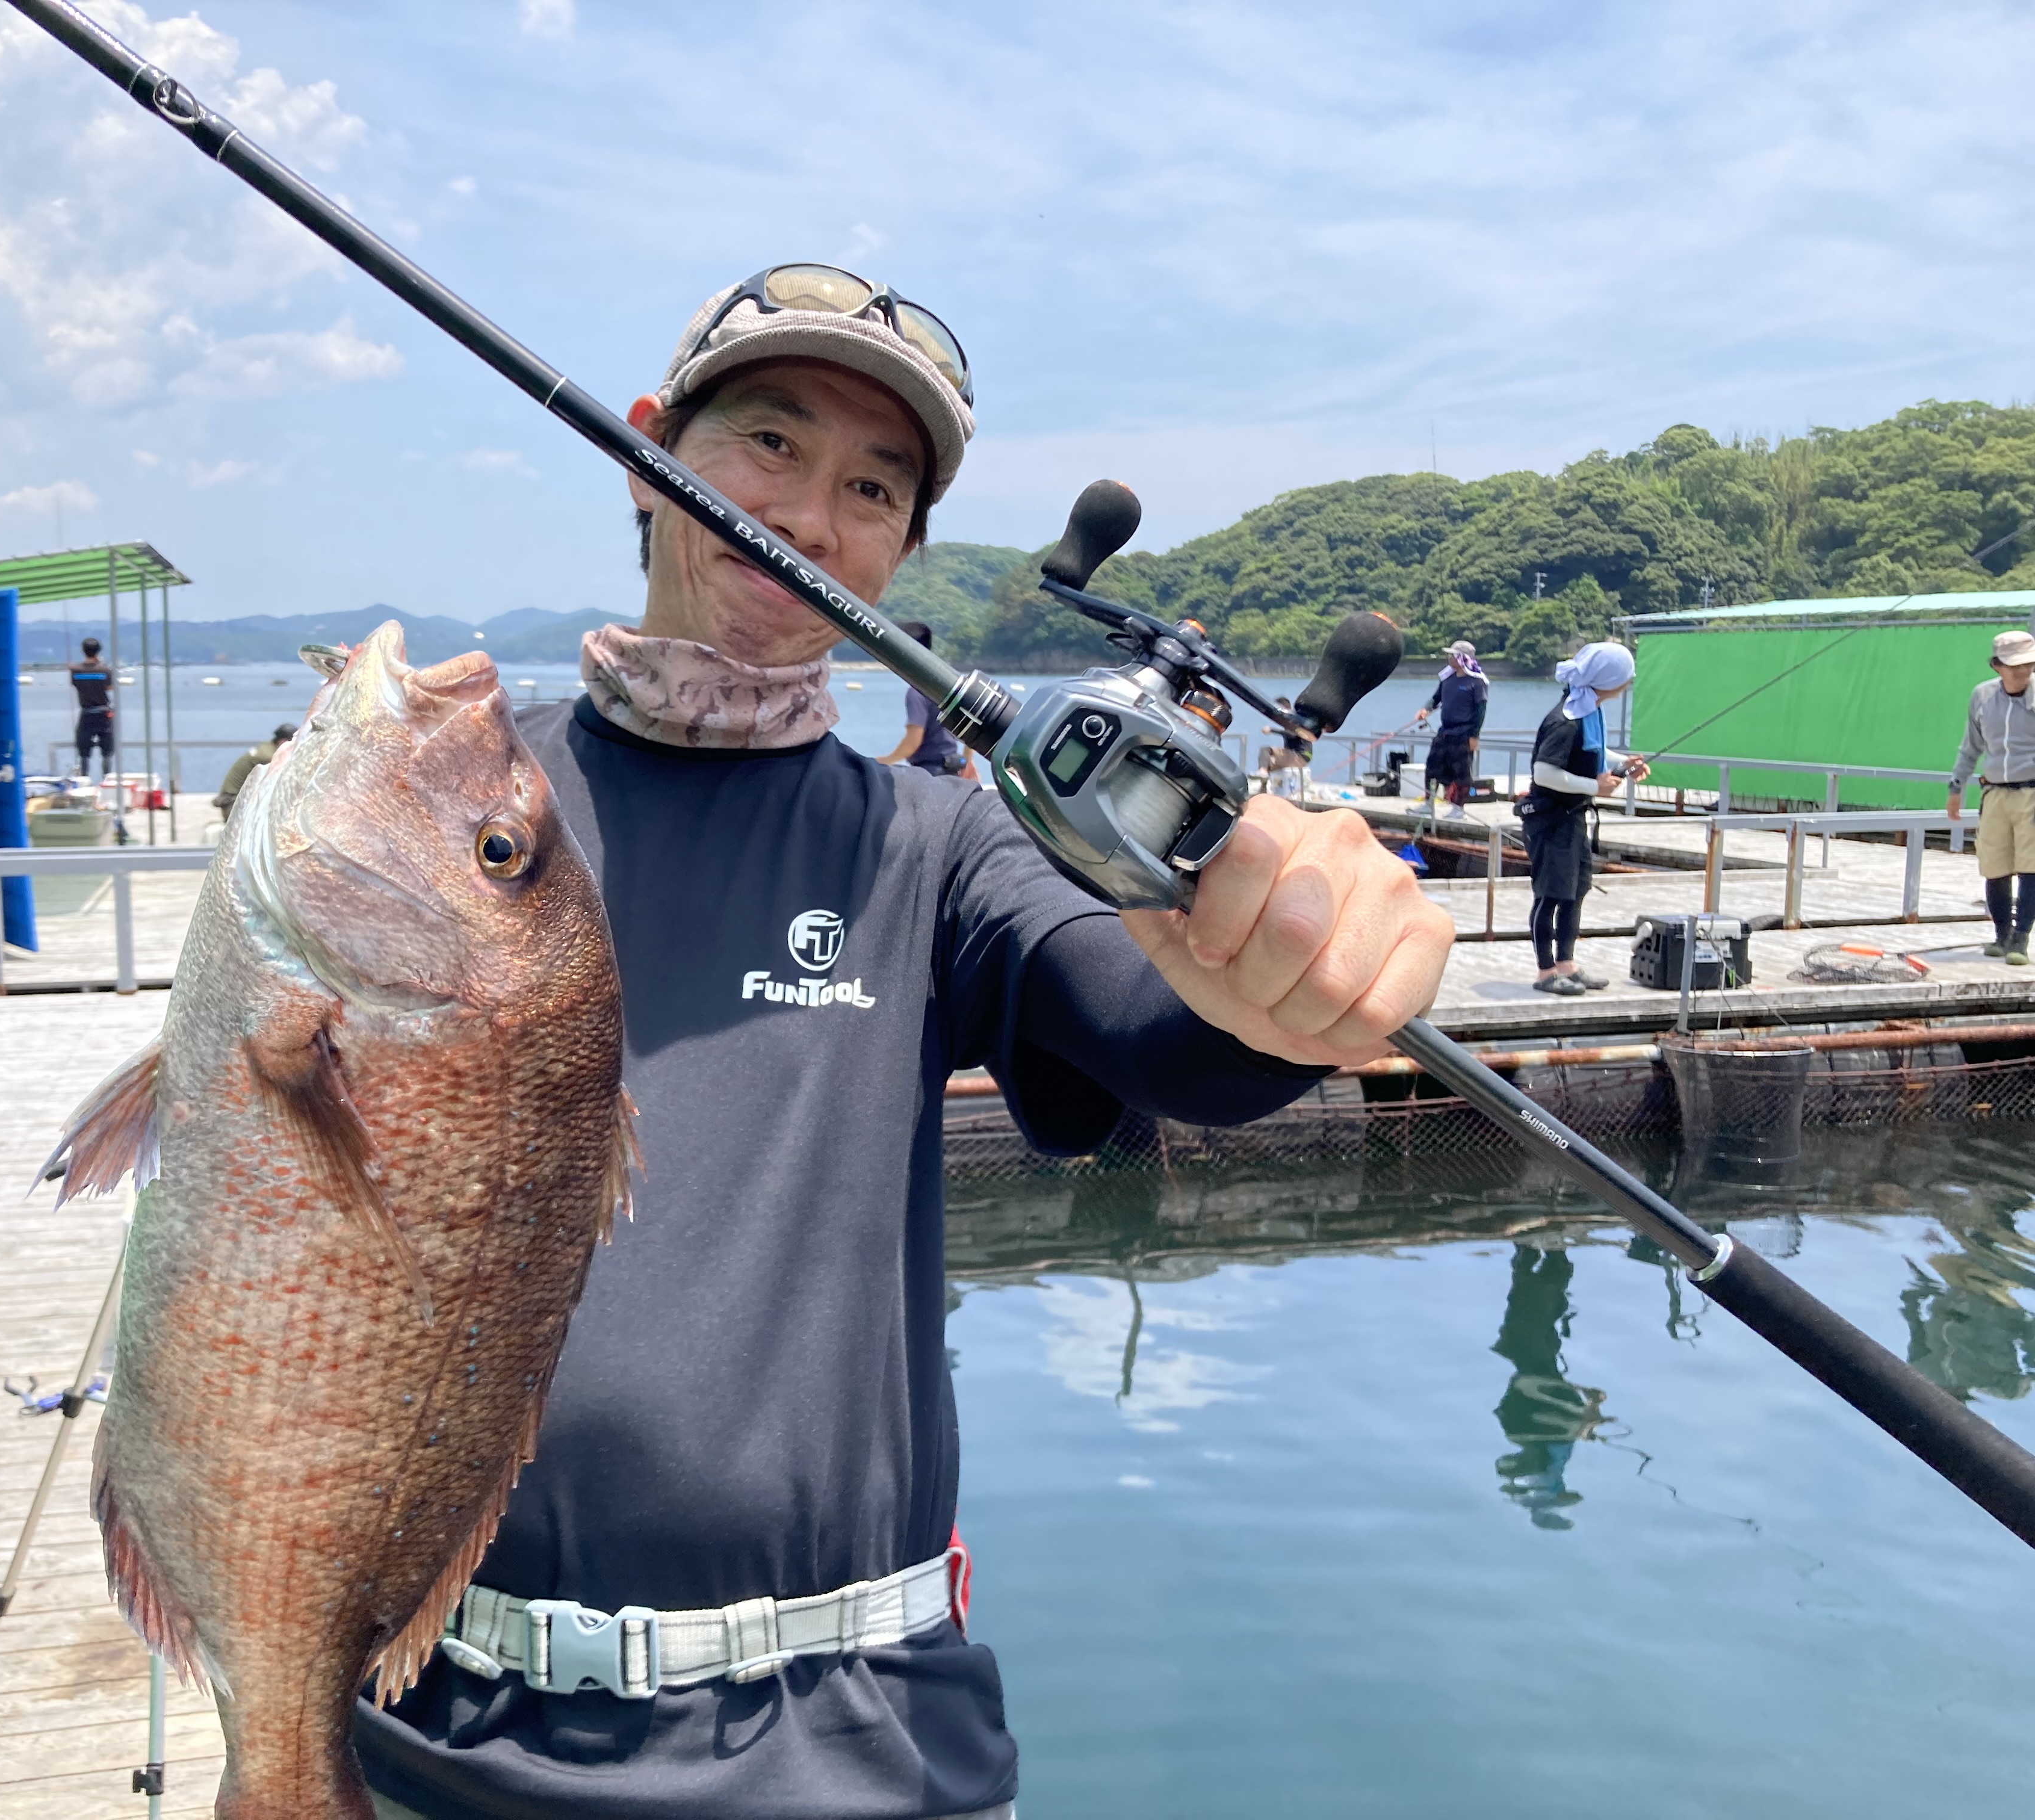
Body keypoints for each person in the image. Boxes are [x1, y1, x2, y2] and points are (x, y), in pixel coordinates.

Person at [352, 264, 1451, 1820]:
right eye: (770, 445)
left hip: (850, 1749)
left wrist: (1286, 977)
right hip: (423, 1730)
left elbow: (1164, 1038)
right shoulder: (451, 802)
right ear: (645, 450)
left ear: (904, 551)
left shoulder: (936, 849)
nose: (810, 516)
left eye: (873, 486)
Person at [1516, 641, 1647, 997]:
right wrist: (1595, 785)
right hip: (1550, 820)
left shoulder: (1589, 710)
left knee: (1576, 893)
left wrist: (1623, 765)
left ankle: (1567, 964)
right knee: (1550, 895)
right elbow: (1543, 772)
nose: (1627, 685)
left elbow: (1593, 751)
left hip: (1574, 817)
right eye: (1624, 678)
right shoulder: (1564, 720)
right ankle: (1545, 972)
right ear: (1607, 680)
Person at [1947, 628, 2035, 964]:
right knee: (1994, 866)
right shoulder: (1982, 696)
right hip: (1995, 792)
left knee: (2031, 867)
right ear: (1997, 666)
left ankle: (2021, 938)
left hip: (2032, 792)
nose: (2022, 672)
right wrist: (1956, 787)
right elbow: (1971, 746)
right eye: (2015, 666)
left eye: (2028, 665)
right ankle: (2001, 935)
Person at [874, 618, 975, 778]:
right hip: (952, 771)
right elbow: (971, 726)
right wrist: (968, 762)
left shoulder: (917, 692)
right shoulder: (945, 684)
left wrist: (885, 761)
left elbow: (913, 741)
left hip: (930, 773)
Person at [1412, 639, 1488, 817]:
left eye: (1452, 655)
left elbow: (1481, 710)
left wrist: (1474, 736)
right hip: (1445, 732)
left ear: (1462, 658)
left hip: (1463, 734)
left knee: (1461, 772)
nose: (1449, 658)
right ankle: (1428, 803)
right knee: (1432, 767)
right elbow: (1436, 698)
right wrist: (1426, 709)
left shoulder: (1477, 682)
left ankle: (1458, 808)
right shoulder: (1448, 678)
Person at [212, 723, 296, 818]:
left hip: (235, 802)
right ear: (284, 742)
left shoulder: (267, 748)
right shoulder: (269, 757)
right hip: (233, 806)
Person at [69, 637, 116, 782]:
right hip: (104, 713)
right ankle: (106, 779)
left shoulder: (76, 671)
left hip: (87, 713)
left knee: (84, 752)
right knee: (107, 752)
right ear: (98, 651)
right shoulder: (105, 671)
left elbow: (75, 684)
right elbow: (110, 687)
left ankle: (84, 779)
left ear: (83, 651)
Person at [1260, 695, 1309, 797]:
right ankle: (1265, 788)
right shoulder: (1291, 721)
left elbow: (1292, 734)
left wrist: (1271, 730)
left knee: (1266, 750)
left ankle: (1262, 772)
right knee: (1269, 762)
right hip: (1297, 756)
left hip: (1300, 755)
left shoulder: (1294, 720)